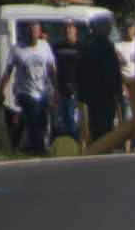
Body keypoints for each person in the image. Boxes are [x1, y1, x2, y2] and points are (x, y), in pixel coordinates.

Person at [0, 21, 59, 155]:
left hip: (42, 92)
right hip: (25, 92)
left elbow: (51, 69)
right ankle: (40, 150)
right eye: (30, 32)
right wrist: (1, 89)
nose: (32, 35)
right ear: (26, 32)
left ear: (39, 32)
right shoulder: (18, 48)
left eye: (35, 32)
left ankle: (16, 142)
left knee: (42, 121)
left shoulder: (45, 46)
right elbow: (8, 70)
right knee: (33, 118)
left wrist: (56, 90)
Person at [77, 17, 121, 145]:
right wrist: (117, 90)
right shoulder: (106, 46)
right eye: (109, 28)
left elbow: (80, 69)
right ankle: (103, 147)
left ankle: (97, 145)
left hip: (92, 93)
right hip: (105, 93)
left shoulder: (87, 44)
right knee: (105, 124)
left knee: (94, 122)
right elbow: (113, 70)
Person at [51, 19, 82, 140]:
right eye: (65, 28)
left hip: (77, 90)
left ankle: (75, 142)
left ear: (75, 30)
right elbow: (52, 66)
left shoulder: (82, 47)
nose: (67, 30)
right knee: (62, 120)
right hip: (61, 89)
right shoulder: (57, 47)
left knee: (72, 118)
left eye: (70, 27)